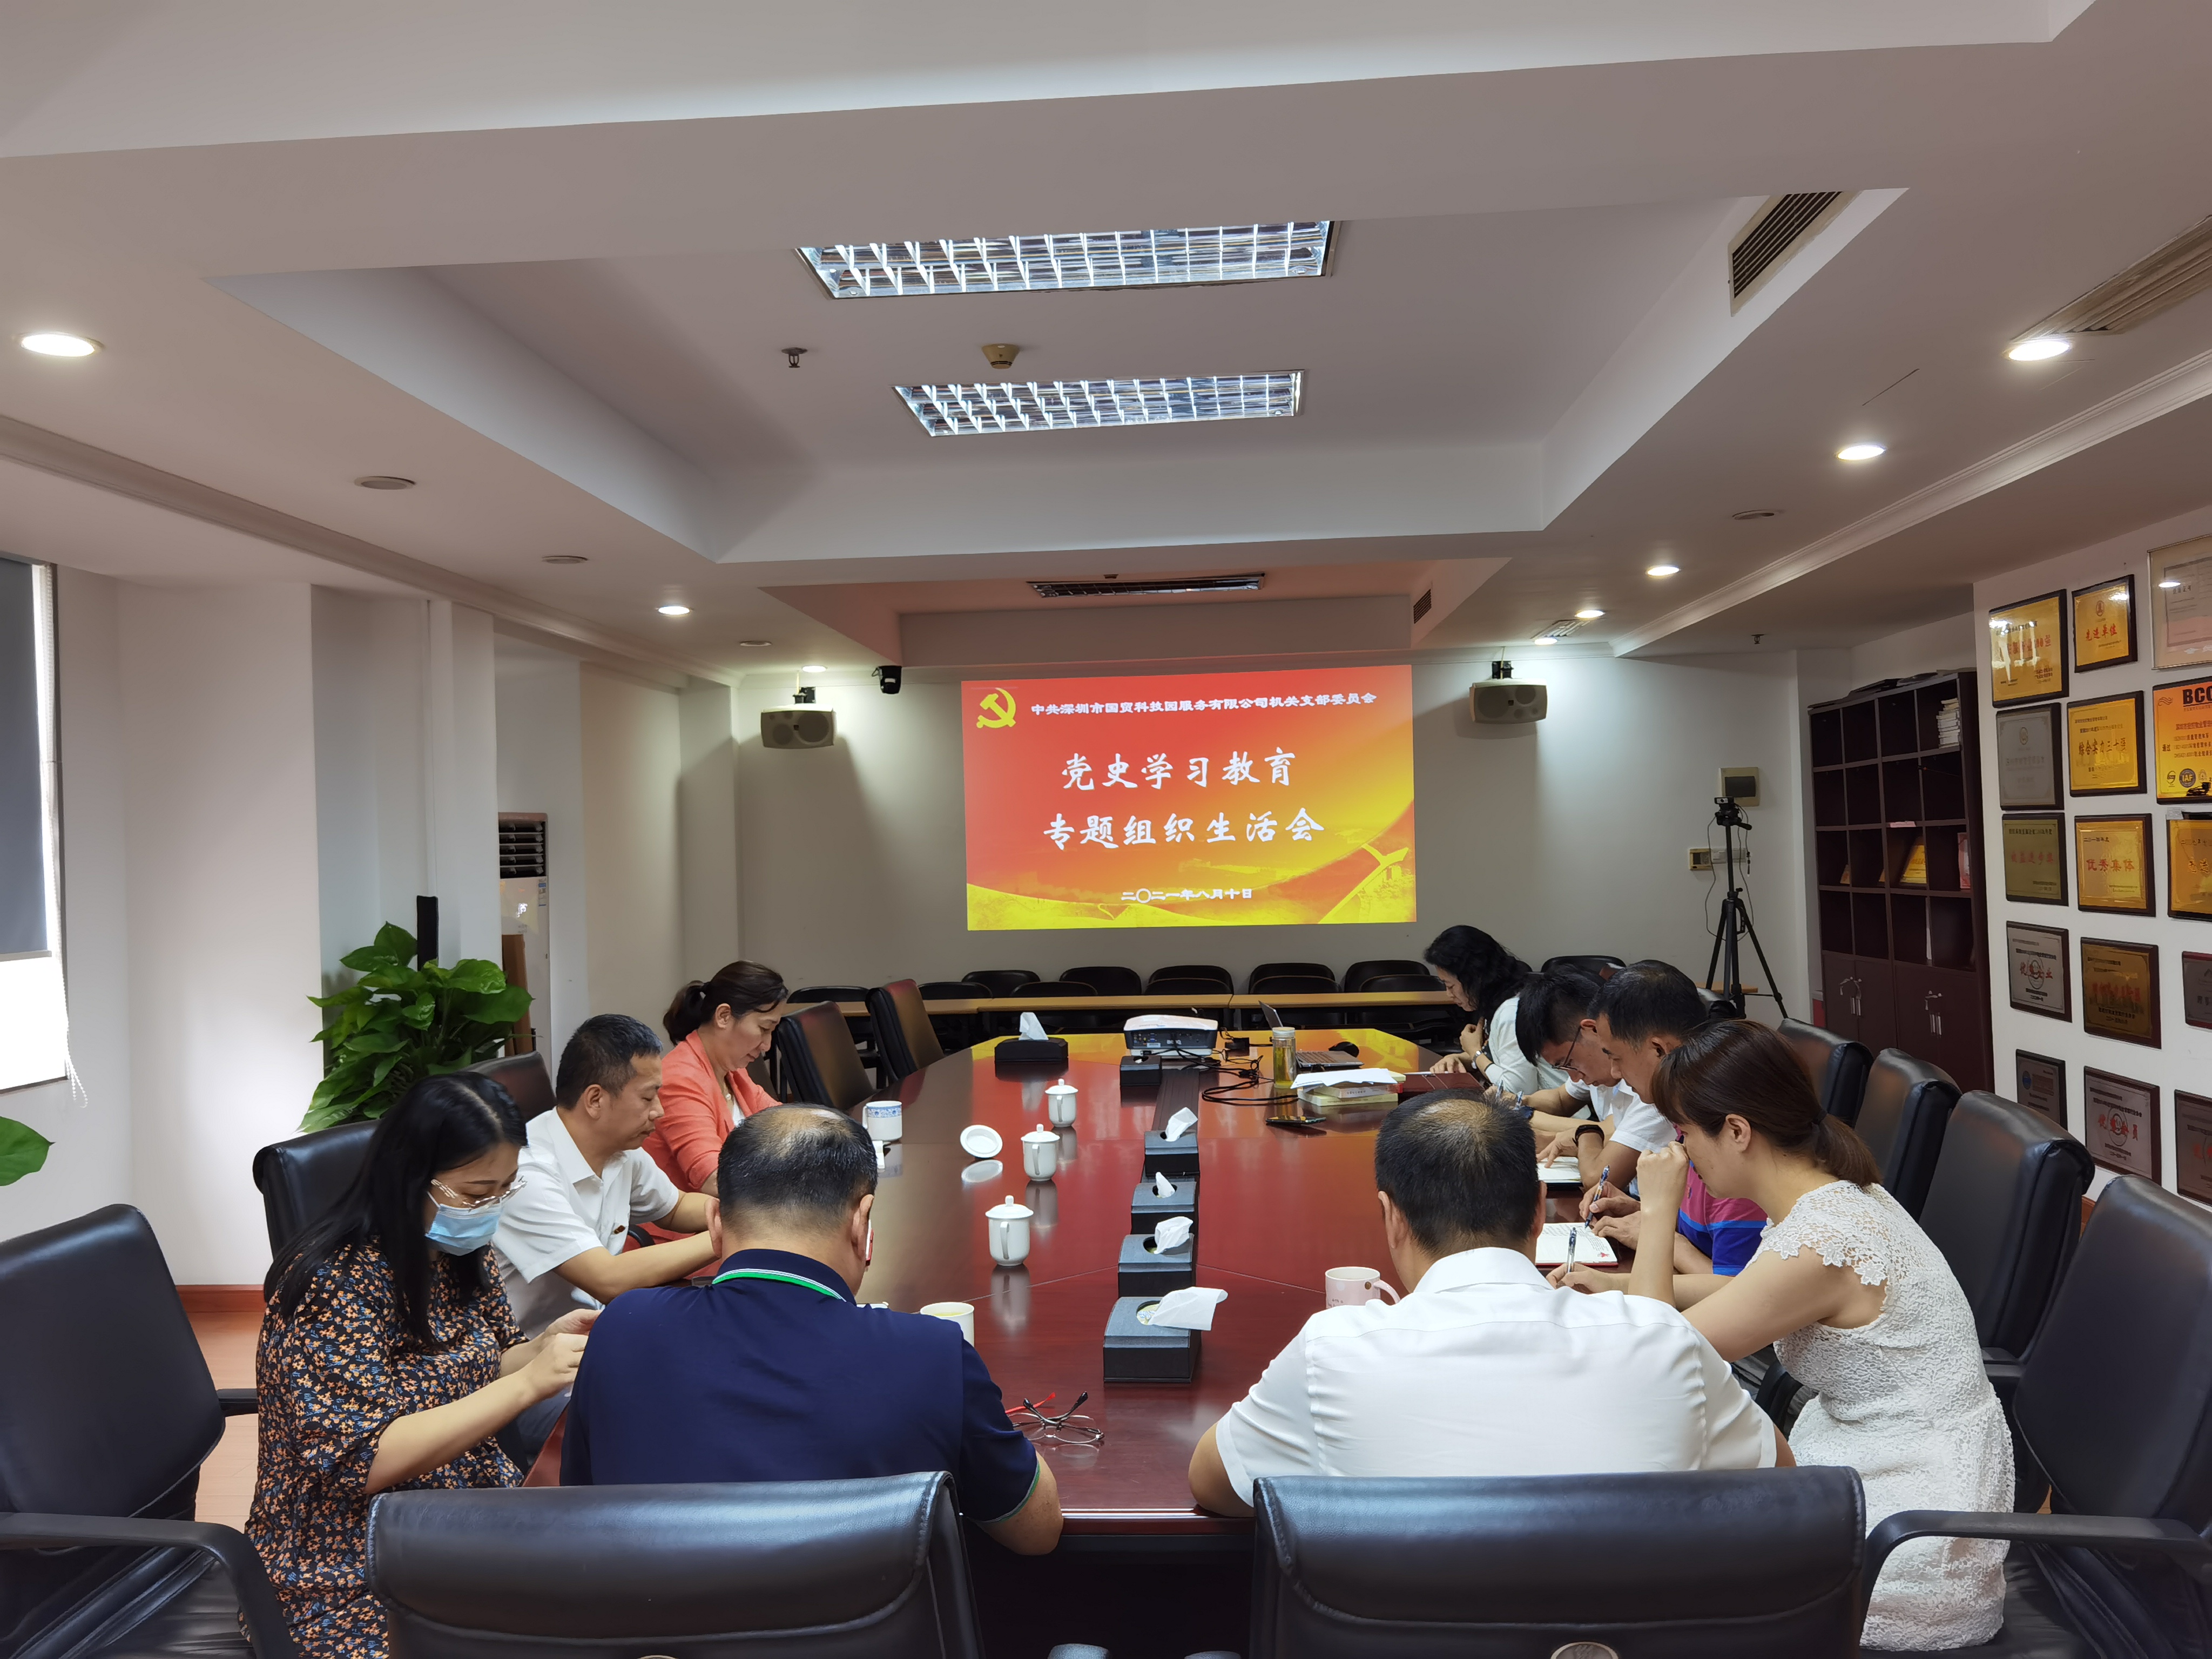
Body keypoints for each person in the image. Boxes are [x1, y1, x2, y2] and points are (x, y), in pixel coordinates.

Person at [1559, 1020, 2010, 1650]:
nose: (1681, 1153)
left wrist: (1659, 1214)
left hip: (1914, 1528)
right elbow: (1752, 1291)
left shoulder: (1823, 1240)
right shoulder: (1829, 1197)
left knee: (1665, 1549)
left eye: (1686, 1134)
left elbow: (1658, 1357)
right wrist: (1614, 1285)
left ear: (1737, 1131)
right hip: (1877, 1467)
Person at [1185, 1091, 1789, 1515]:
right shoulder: (1664, 1339)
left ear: (1391, 1217)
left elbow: (1214, 1484)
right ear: (1537, 1213)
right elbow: (1778, 1482)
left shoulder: (1332, 1351)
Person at [562, 1105, 1063, 1555]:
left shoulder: (622, 1329)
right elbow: (1037, 1531)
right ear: (862, 1223)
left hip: (661, 1627)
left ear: (714, 1222)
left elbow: (580, 1513)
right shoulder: (930, 1355)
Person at [249, 1074, 594, 1659]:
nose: (489, 1209)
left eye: (503, 1190)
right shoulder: (333, 1284)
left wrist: (541, 1350)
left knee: (606, 1594)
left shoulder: (456, 1248)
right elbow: (360, 1461)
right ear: (410, 1178)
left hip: (454, 1517)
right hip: (351, 1561)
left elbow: (485, 1359)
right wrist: (527, 1386)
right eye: (476, 1192)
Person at [491, 1014, 720, 1341]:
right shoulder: (526, 1175)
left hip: (595, 1331)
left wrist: (744, 1212)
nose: (659, 1111)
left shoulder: (620, 1149)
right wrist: (731, 1233)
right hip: (530, 1353)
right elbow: (607, 1279)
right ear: (596, 1100)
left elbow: (676, 1207)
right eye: (648, 1097)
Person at [1587, 960, 1768, 1277]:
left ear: (1659, 1049)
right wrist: (1645, 1212)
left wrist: (1660, 1234)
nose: (1615, 1073)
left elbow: (1737, 1289)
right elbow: (1705, 1231)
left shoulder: (1724, 1141)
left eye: (1617, 1058)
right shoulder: (1691, 1120)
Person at [640, 960, 786, 1238]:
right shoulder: (680, 1078)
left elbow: (783, 1123)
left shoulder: (732, 1072)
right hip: (688, 1242)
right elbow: (714, 1179)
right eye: (764, 1028)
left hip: (736, 1226)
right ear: (724, 1016)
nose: (767, 1045)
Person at [1517, 968, 1674, 1198]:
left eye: (1569, 1063)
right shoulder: (1608, 1070)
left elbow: (1598, 1178)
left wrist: (1583, 1133)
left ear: (1594, 1030)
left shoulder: (1651, 1083)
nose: (1575, 1077)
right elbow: (1561, 1099)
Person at [1419, 926, 1540, 1085]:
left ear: (1474, 979)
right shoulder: (1497, 1000)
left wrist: (1475, 1053)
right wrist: (1458, 1058)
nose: (1449, 994)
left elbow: (1517, 1088)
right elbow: (1500, 1057)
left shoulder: (1512, 1013)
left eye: (1450, 986)